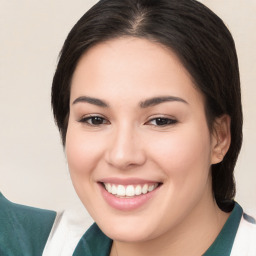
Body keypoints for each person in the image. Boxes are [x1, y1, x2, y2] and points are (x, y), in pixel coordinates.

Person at [50, 0, 256, 255]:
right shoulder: (35, 243)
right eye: (95, 119)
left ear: (220, 137)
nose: (122, 155)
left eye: (160, 120)